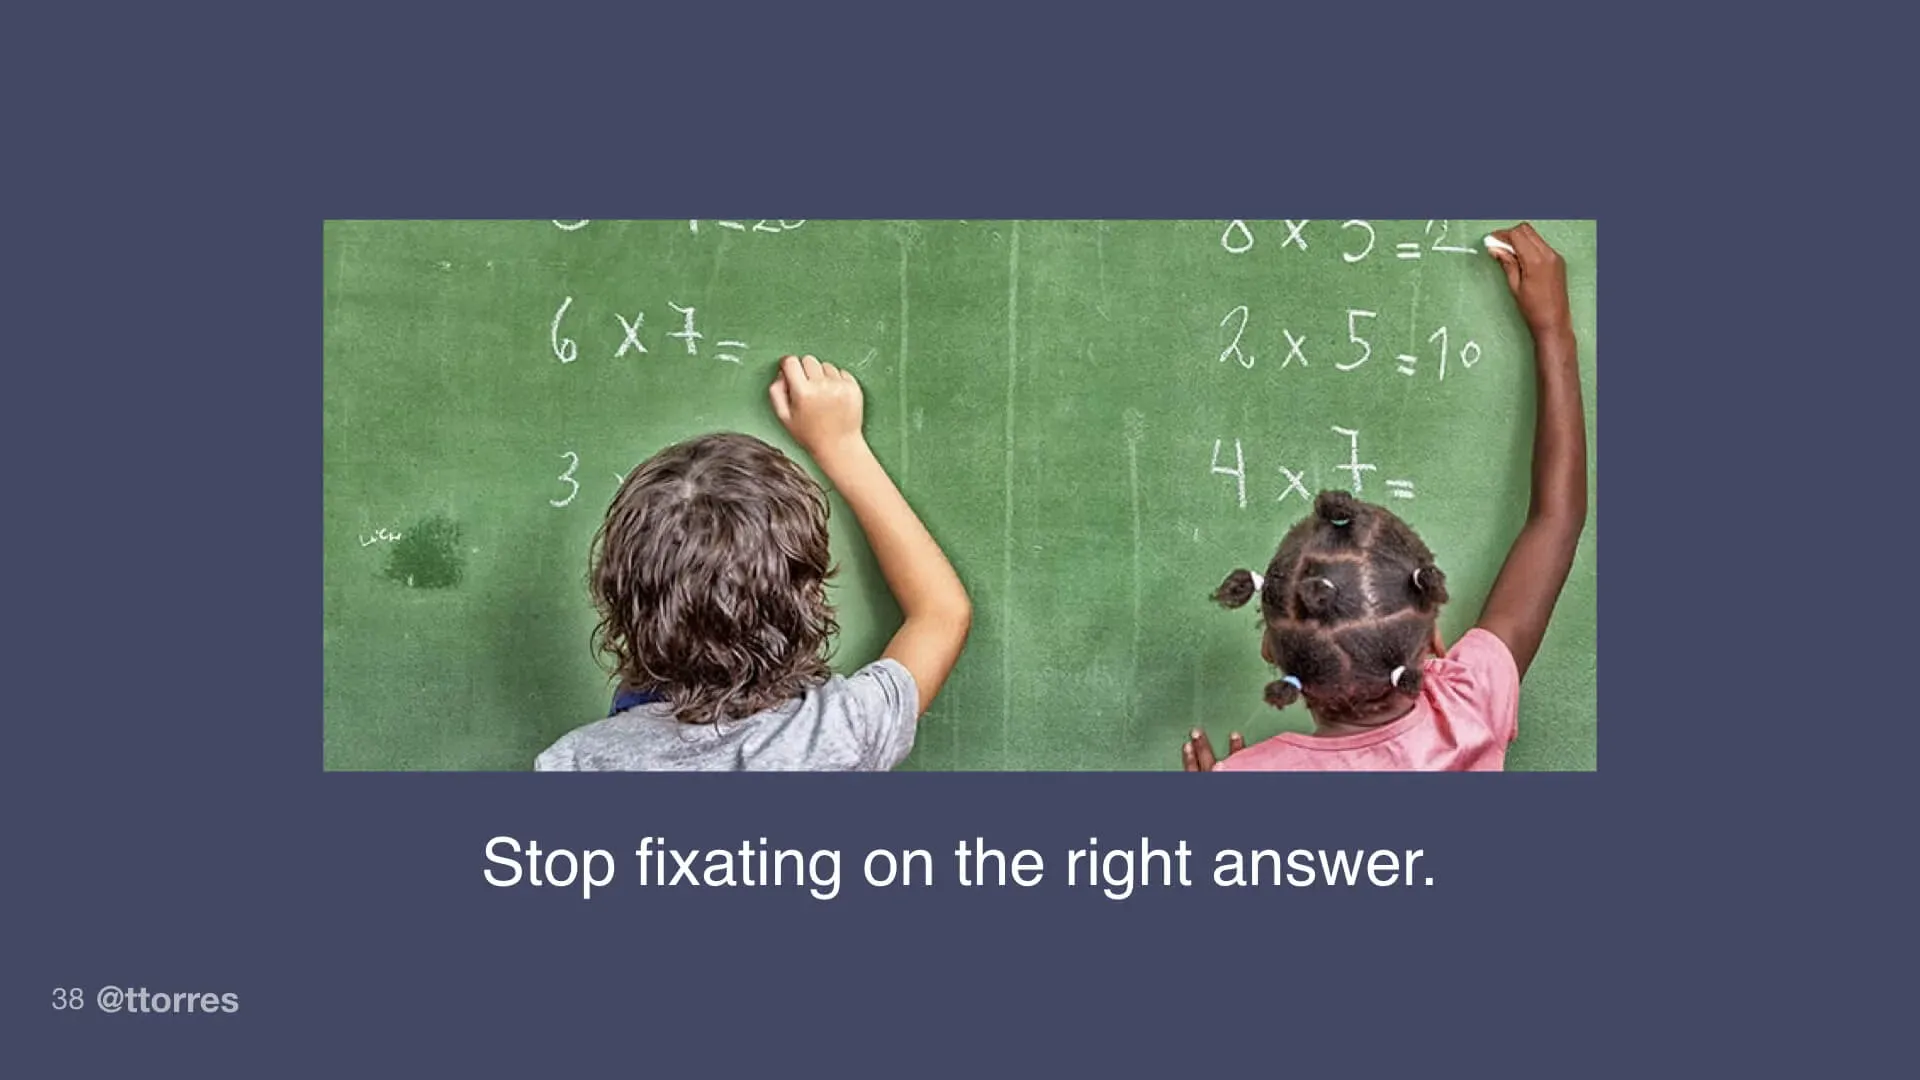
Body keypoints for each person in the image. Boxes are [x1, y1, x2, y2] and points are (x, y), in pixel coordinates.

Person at [1184, 223, 1586, 771]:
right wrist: (1554, 329)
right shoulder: (1469, 711)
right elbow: (1556, 520)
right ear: (1434, 641)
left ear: (1270, 655)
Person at [536, 355, 971, 771]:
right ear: (808, 596)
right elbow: (941, 612)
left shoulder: (573, 764)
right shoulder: (840, 732)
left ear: (619, 597)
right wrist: (841, 445)